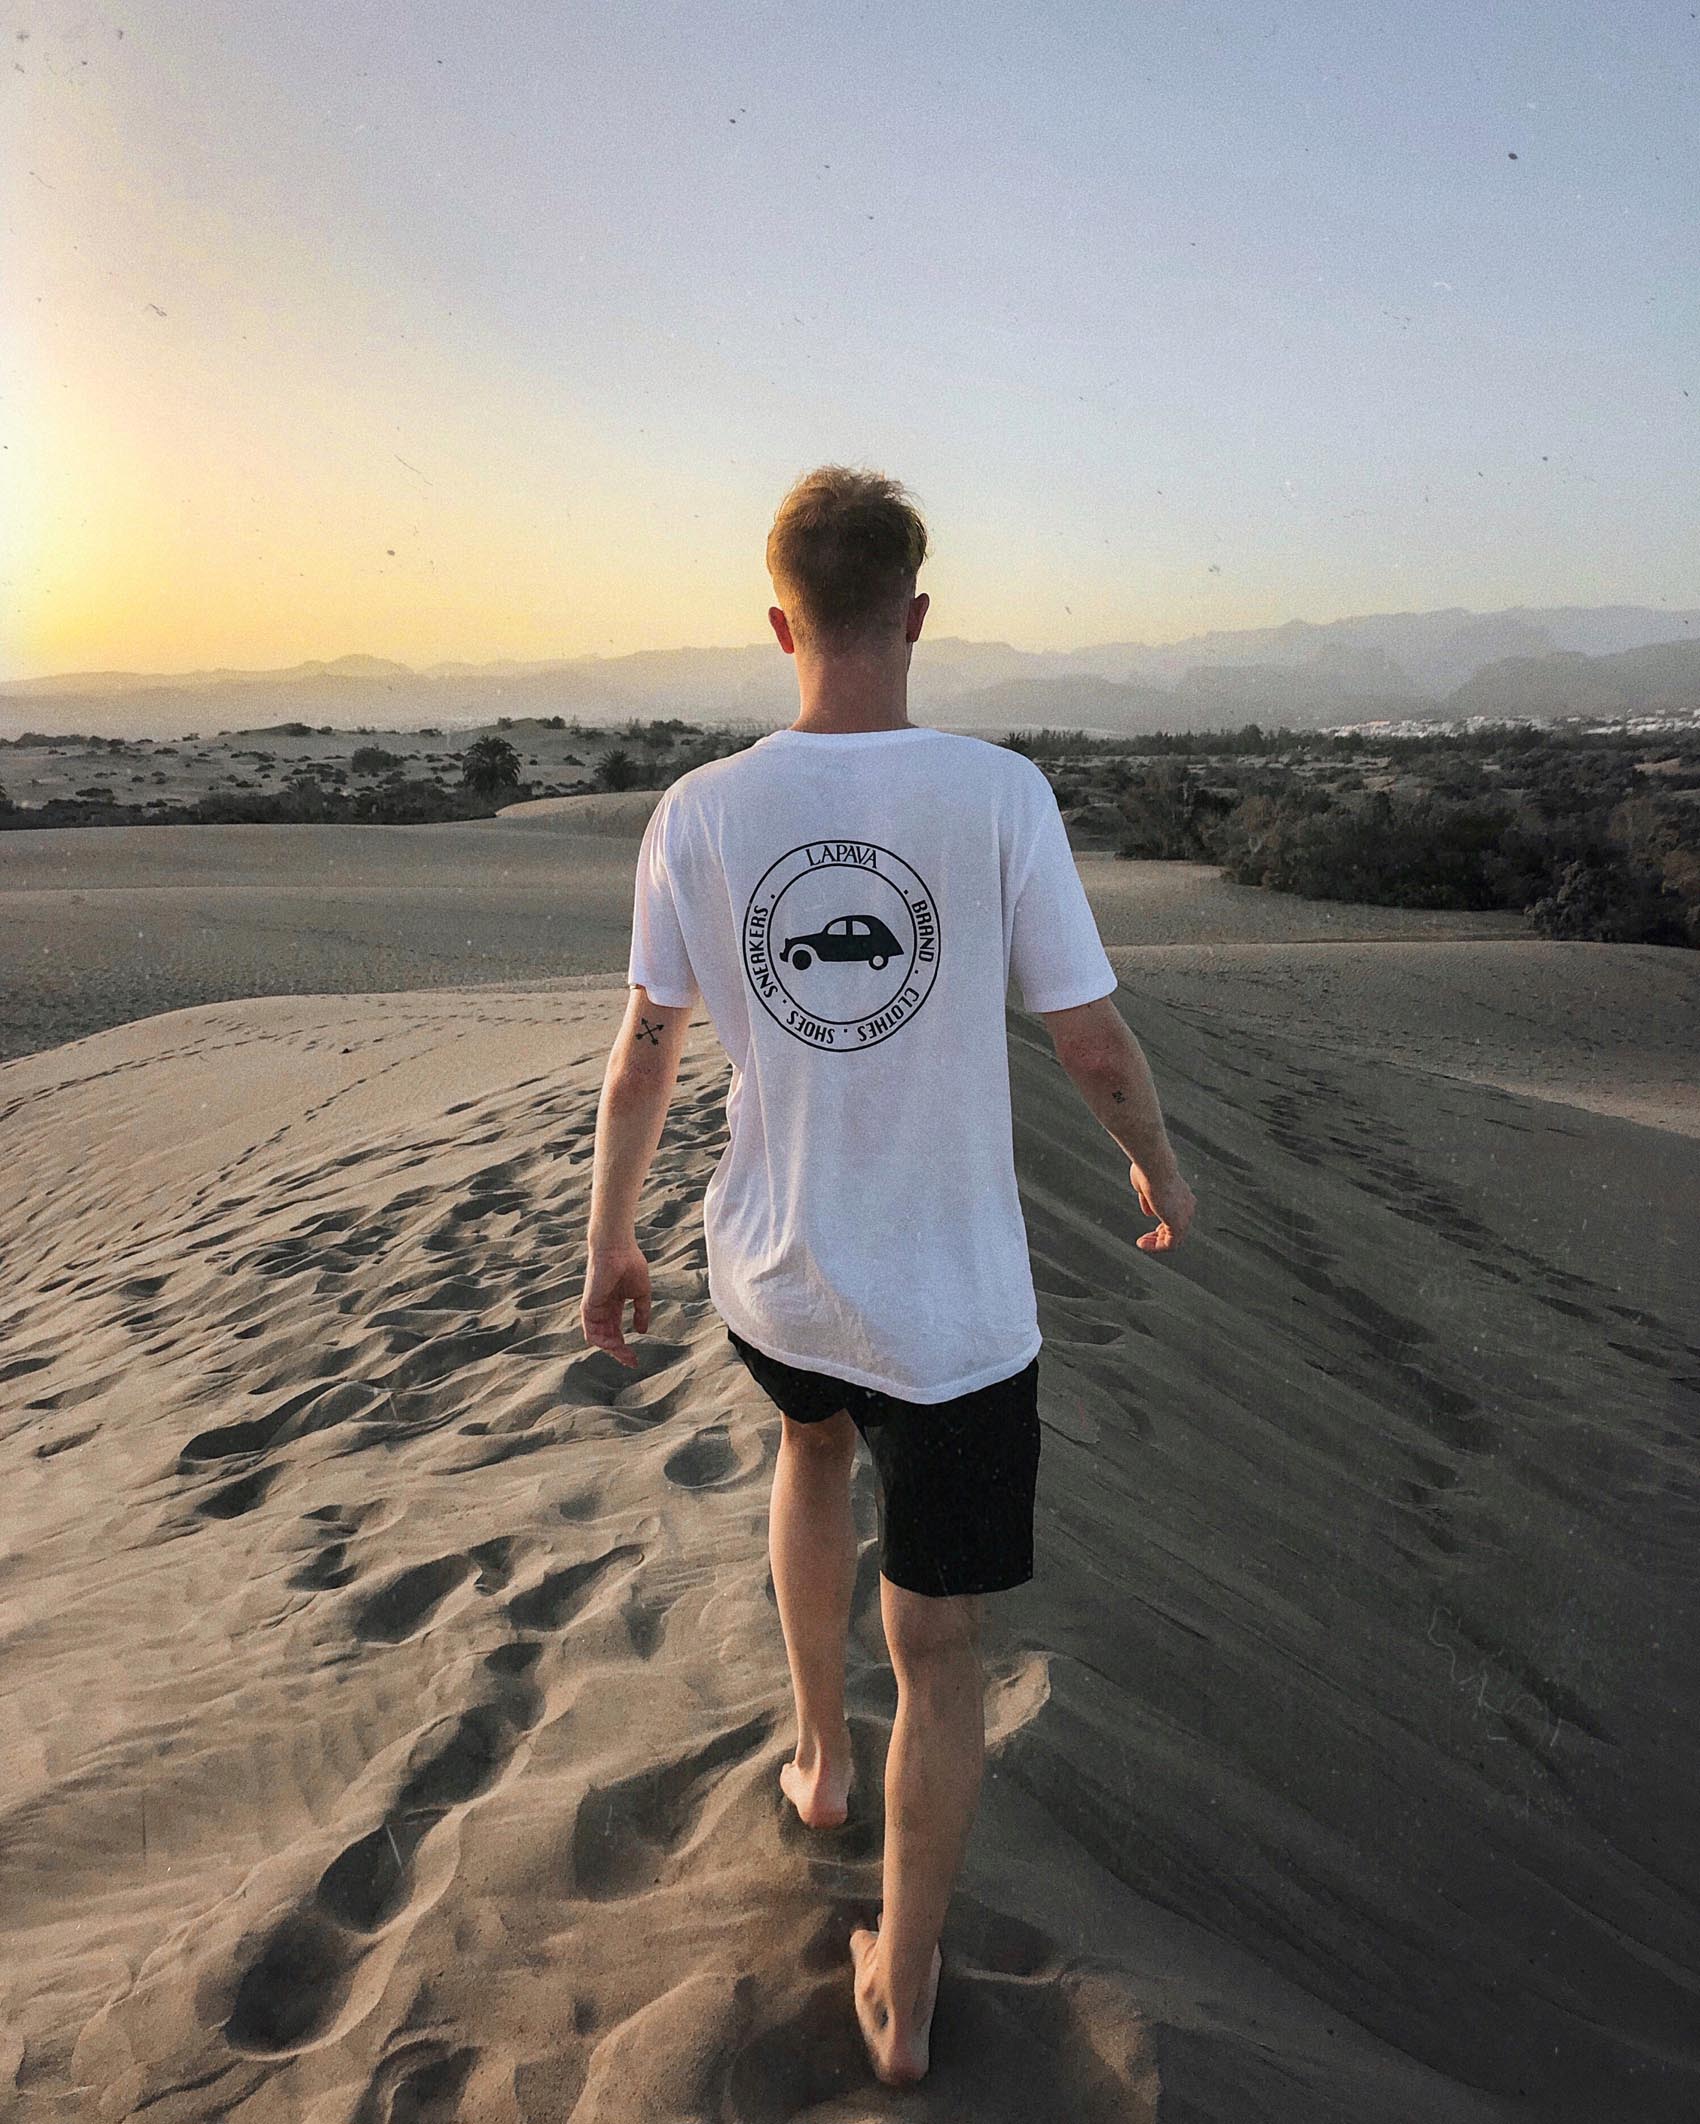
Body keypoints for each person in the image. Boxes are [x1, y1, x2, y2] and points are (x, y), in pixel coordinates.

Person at [580, 464, 1196, 2087]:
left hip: (773, 1277)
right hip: (957, 1315)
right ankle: (901, 1987)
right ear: (916, 615)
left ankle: (815, 1759)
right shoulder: (995, 795)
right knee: (942, 1649)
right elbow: (1088, 1035)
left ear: (780, 620)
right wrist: (1157, 1158)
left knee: (806, 1448)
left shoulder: (700, 811)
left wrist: (609, 1232)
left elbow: (646, 1051)